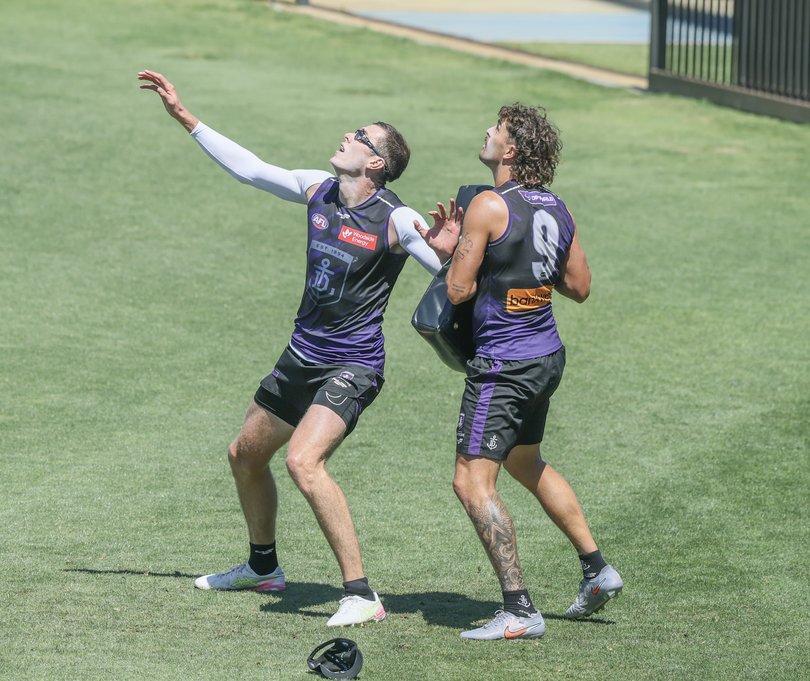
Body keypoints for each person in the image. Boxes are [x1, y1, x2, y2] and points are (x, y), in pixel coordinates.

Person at [137, 70, 459, 627]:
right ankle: (263, 566)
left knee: (303, 462)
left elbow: (455, 284)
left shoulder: (398, 220)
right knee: (244, 455)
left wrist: (451, 254)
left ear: (377, 162)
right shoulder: (319, 189)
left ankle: (361, 594)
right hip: (301, 355)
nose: (349, 135)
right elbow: (253, 170)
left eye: (361, 135)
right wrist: (186, 118)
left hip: (353, 364)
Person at [437, 103, 623, 640]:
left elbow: (457, 289)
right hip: (546, 357)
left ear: (511, 150)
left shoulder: (488, 205)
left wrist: (451, 250)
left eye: (495, 129)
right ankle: (596, 568)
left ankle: (519, 608)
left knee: (471, 482)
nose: (487, 132)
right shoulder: (559, 209)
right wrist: (525, 269)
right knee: (524, 461)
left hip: (503, 365)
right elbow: (579, 287)